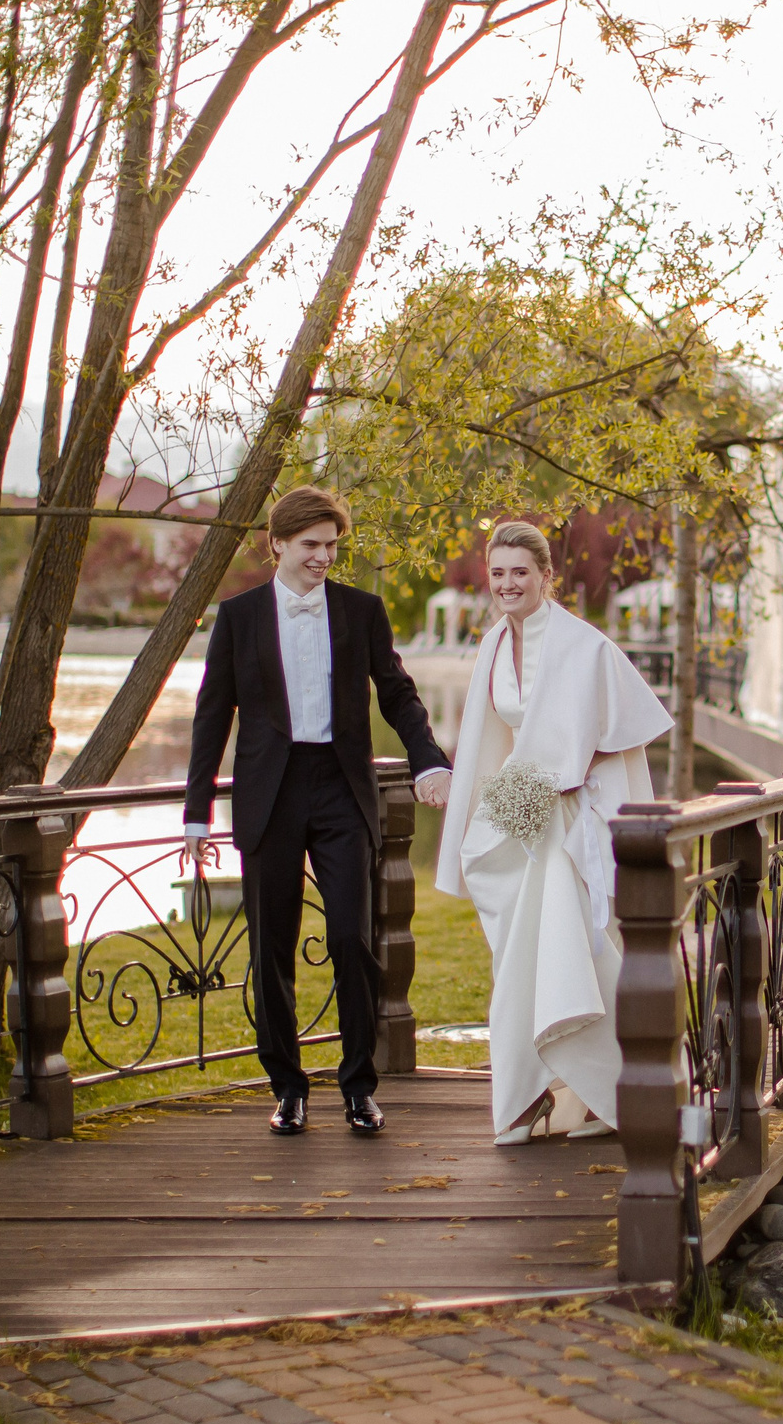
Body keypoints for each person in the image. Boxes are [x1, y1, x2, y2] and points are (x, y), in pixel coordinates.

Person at [182, 486, 452, 1137]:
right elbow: (211, 715)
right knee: (270, 947)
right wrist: (195, 813)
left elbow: (397, 693)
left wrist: (428, 759)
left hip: (340, 788)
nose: (324, 557)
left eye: (331, 545)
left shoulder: (362, 611)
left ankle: (359, 1085)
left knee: (351, 939)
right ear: (276, 543)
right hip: (268, 793)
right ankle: (288, 1088)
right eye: (311, 545)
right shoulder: (239, 617)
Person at [433, 521, 672, 1145]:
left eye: (521, 573)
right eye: (499, 574)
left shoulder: (584, 646)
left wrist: (571, 784)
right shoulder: (491, 645)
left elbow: (613, 740)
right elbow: (491, 739)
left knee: (568, 951)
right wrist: (477, 807)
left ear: (546, 577)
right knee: (519, 947)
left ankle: (546, 1093)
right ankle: (571, 1092)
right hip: (520, 809)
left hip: (567, 819)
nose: (508, 585)